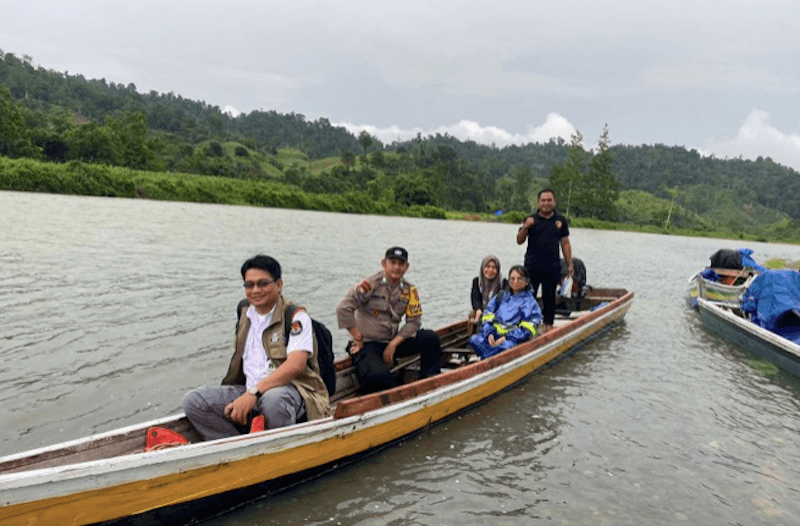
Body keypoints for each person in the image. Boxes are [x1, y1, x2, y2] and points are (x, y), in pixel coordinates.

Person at [183, 255, 330, 441]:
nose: (255, 290)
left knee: (273, 401)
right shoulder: (245, 313)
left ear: (278, 285)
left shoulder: (296, 318)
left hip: (290, 391)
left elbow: (296, 365)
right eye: (249, 285)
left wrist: (254, 392)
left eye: (262, 284)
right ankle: (235, 446)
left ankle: (281, 448)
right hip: (249, 389)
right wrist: (247, 394)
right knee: (194, 401)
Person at [336, 246, 442, 394]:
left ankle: (429, 383)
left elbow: (414, 322)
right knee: (377, 378)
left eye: (401, 263)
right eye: (392, 262)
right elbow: (343, 309)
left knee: (430, 339)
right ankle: (395, 389)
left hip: (390, 343)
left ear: (407, 267)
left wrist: (393, 344)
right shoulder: (369, 285)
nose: (396, 267)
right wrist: (357, 337)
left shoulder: (409, 290)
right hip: (367, 344)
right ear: (383, 263)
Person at [516, 189, 574, 334]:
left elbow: (565, 243)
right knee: (529, 296)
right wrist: (525, 227)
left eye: (549, 200)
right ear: (538, 202)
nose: (546, 203)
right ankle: (526, 327)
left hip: (552, 265)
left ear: (554, 202)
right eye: (543, 200)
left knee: (549, 297)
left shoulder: (560, 221)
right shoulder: (531, 219)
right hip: (532, 266)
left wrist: (569, 264)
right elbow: (519, 240)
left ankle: (548, 327)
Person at [470, 265, 542, 359]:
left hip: (512, 340)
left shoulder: (530, 302)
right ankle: (489, 357)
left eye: (519, 279)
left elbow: (528, 327)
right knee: (474, 339)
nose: (515, 282)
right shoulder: (501, 296)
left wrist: (506, 338)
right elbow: (487, 315)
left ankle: (484, 359)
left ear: (527, 281)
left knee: (506, 348)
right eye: (512, 279)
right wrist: (489, 334)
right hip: (494, 335)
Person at [470, 255, 508, 324]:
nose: (490, 270)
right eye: (487, 267)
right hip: (482, 314)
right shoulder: (477, 281)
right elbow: (475, 299)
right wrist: (478, 309)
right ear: (482, 268)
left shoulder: (503, 282)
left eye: (493, 267)